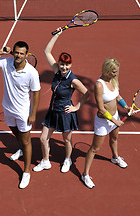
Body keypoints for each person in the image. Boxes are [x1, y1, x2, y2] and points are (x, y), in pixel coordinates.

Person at [0, 41, 41, 189]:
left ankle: (26, 172)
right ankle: (20, 150)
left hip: (23, 112)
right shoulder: (6, 62)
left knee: (26, 140)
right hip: (8, 108)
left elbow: (37, 93)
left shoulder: (32, 72)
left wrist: (33, 113)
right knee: (16, 134)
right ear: (12, 52)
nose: (18, 55)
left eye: (22, 53)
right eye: (16, 52)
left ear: (27, 54)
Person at [33, 28, 89, 173]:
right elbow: (47, 52)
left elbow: (87, 93)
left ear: (70, 65)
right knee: (43, 138)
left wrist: (76, 107)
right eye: (62, 64)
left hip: (65, 113)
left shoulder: (73, 80)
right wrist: (57, 35)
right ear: (58, 63)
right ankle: (46, 161)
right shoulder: (57, 71)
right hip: (52, 111)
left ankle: (67, 159)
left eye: (67, 65)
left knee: (66, 140)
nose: (64, 67)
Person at [81, 58, 130, 189]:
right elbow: (101, 109)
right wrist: (115, 121)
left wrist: (125, 107)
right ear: (107, 71)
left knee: (114, 139)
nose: (116, 74)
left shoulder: (113, 80)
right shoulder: (99, 85)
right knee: (95, 148)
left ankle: (115, 157)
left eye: (116, 72)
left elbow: (117, 96)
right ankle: (85, 174)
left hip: (115, 116)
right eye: (114, 72)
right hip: (103, 121)